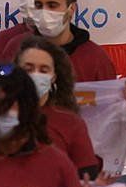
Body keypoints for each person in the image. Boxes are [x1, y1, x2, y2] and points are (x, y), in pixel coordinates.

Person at [15, 36, 101, 178]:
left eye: (43, 70)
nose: (35, 75)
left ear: (54, 76)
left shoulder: (71, 124)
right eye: (28, 68)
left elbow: (87, 178)